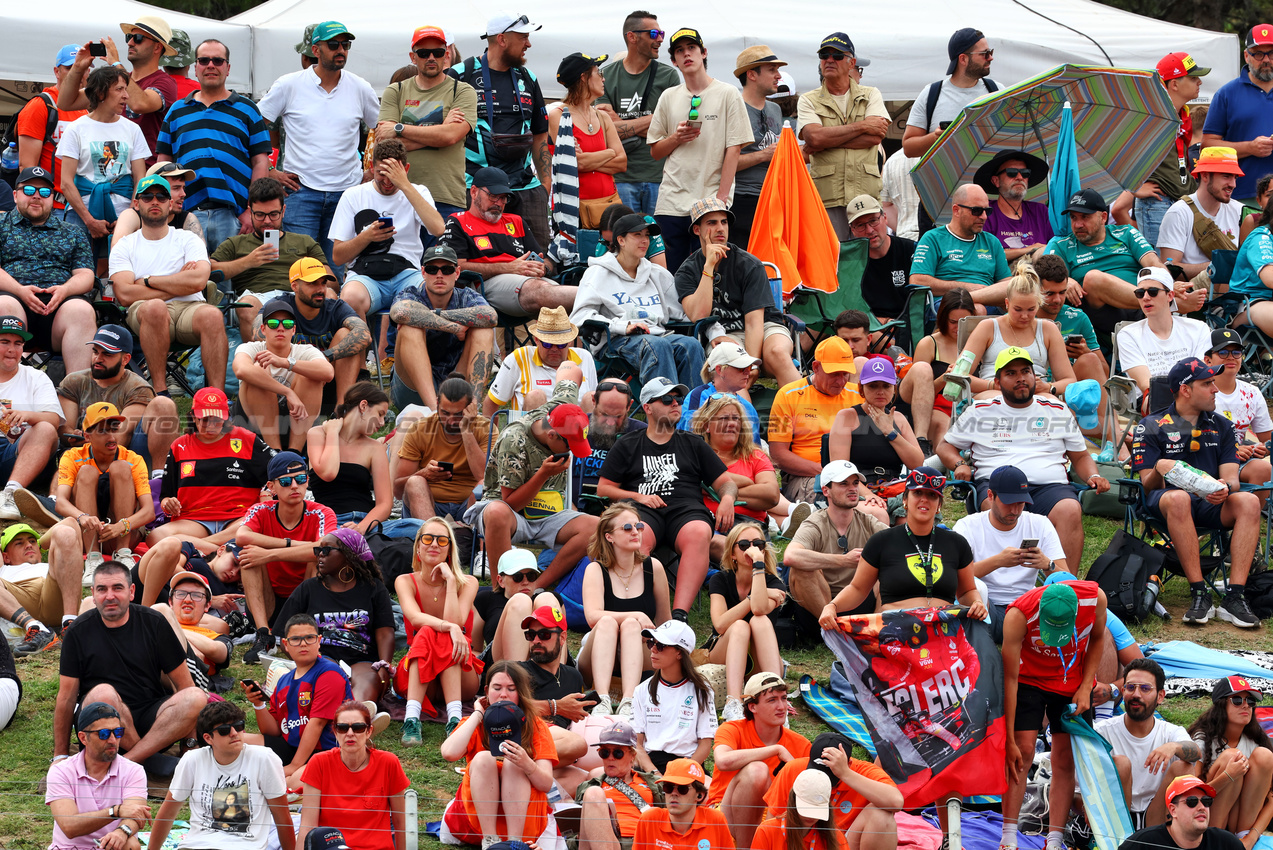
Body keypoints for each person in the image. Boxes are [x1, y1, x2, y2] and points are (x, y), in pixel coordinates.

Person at [938, 347, 1108, 568]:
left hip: (1049, 487)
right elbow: (945, 446)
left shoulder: (1056, 409)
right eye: (1011, 373)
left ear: (1034, 377)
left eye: (1025, 371)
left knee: (1070, 509)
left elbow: (1081, 455)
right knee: (994, 505)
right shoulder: (981, 410)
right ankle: (997, 585)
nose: (1020, 379)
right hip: (997, 484)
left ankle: (1065, 584)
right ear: (997, 382)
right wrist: (959, 463)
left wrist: (1093, 475)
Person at [1130, 357, 1262, 627]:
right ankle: (1199, 593)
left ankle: (1234, 596)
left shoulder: (1221, 425)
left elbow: (1231, 478)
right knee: (1179, 498)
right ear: (1186, 390)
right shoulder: (1152, 425)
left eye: (1213, 382)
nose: (1215, 389)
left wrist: (1224, 488)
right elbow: (1146, 484)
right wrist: (1160, 469)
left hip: (1210, 501)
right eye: (1207, 383)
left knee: (1248, 501)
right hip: (1164, 501)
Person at [598, 376, 739, 618]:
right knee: (634, 535)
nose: (675, 403)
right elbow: (604, 489)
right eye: (666, 399)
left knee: (699, 532)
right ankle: (634, 608)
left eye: (678, 399)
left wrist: (727, 500)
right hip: (642, 510)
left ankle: (679, 615)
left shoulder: (693, 443)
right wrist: (639, 497)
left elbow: (726, 483)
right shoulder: (628, 444)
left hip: (686, 510)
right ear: (648, 407)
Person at [54, 560, 208, 772]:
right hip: (102, 723)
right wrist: (60, 754)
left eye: (117, 588)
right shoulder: (77, 632)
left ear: (132, 591)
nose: (110, 596)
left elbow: (185, 685)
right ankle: (149, 761)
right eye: (102, 589)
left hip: (151, 721)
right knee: (103, 693)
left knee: (196, 696)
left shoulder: (154, 623)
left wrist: (190, 745)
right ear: (93, 594)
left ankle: (133, 761)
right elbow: (66, 697)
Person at [258, 21, 381, 265]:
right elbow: (253, 126)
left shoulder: (360, 87)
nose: (341, 50)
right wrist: (270, 171)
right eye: (333, 44)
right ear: (315, 50)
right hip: (300, 191)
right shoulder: (289, 84)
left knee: (336, 273)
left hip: (347, 193)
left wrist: (372, 170)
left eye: (345, 44)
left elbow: (382, 129)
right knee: (296, 270)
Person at [1001, 580, 1109, 850]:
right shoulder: (1018, 615)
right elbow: (1010, 678)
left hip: (1071, 681)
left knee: (1065, 758)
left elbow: (1097, 639)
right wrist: (1009, 738)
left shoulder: (1095, 600)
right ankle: (1008, 837)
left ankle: (1054, 840)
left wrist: (1087, 686)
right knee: (1022, 751)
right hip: (1028, 680)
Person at [468, 374, 599, 587]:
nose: (571, 451)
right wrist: (543, 475)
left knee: (595, 527)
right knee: (497, 512)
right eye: (569, 445)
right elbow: (509, 503)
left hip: (549, 513)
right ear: (552, 435)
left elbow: (571, 372)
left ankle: (535, 586)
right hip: (511, 515)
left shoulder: (561, 409)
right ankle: (501, 591)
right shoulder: (514, 440)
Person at [819, 467, 986, 625]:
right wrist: (832, 606)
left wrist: (977, 602)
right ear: (905, 499)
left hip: (942, 631)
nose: (924, 499)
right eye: (918, 493)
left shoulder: (956, 543)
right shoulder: (881, 541)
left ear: (939, 505)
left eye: (932, 495)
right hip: (897, 630)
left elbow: (966, 592)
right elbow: (858, 589)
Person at [109, 174, 226, 395]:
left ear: (170, 204)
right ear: (136, 203)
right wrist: (179, 282)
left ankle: (214, 398)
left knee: (213, 315)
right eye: (148, 197)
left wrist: (147, 280)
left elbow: (199, 280)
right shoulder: (125, 245)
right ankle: (160, 393)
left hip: (189, 310)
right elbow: (124, 293)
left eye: (162, 196)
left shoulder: (187, 239)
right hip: (145, 311)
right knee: (155, 308)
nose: (155, 201)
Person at [647, 28, 753, 270]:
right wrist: (676, 137)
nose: (687, 54)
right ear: (673, 61)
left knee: (710, 270)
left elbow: (734, 149)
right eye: (680, 51)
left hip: (710, 201)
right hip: (671, 201)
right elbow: (655, 152)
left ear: (703, 53)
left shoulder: (728, 93)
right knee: (670, 272)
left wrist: (721, 199)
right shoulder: (668, 96)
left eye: (692, 48)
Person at [155, 38, 273, 251]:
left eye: (218, 61)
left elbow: (260, 163)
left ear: (228, 68)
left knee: (226, 281)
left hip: (234, 215)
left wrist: (250, 210)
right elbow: (163, 163)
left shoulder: (248, 109)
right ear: (195, 68)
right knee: (189, 280)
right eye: (204, 60)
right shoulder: (176, 111)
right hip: (185, 214)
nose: (211, 65)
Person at [447, 12, 553, 249]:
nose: (529, 43)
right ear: (502, 40)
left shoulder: (528, 77)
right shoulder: (461, 75)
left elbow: (540, 135)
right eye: (523, 37)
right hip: (473, 185)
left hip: (525, 187)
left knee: (540, 258)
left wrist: (545, 186)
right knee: (476, 256)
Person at [675, 197, 800, 390]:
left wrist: (751, 362)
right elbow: (698, 315)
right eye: (712, 223)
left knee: (777, 352)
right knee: (732, 365)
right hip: (723, 335)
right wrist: (709, 267)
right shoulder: (687, 271)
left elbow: (754, 321)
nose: (720, 228)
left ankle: (807, 415)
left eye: (724, 222)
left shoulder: (748, 264)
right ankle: (744, 419)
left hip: (764, 328)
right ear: (697, 230)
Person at [570, 212, 705, 387]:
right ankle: (665, 407)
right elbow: (579, 317)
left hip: (656, 335)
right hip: (615, 340)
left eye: (647, 236)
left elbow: (686, 310)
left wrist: (714, 330)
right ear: (621, 240)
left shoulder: (656, 274)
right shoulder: (597, 273)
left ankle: (693, 409)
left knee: (690, 345)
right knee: (657, 346)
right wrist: (622, 327)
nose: (645, 241)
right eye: (637, 235)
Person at [440, 660, 560, 845]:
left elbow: (546, 784)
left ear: (520, 693)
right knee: (483, 758)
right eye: (497, 688)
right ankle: (490, 841)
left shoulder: (536, 726)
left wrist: (526, 763)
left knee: (514, 762)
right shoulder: (475, 723)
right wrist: (478, 715)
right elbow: (448, 753)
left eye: (511, 689)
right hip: (480, 821)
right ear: (487, 691)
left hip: (525, 822)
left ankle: (514, 843)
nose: (503, 694)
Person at [146, 702, 293, 850]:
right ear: (208, 738)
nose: (234, 733)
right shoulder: (192, 760)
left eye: (239, 725)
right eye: (224, 730)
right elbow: (168, 813)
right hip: (196, 846)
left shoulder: (264, 758)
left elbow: (282, 817)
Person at [237, 452, 339, 663]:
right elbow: (241, 536)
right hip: (268, 601)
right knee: (248, 555)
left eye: (300, 479)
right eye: (285, 481)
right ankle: (263, 635)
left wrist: (269, 554)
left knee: (317, 558)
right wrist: (291, 544)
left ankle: (304, 629)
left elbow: (324, 549)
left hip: (305, 598)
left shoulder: (322, 512)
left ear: (307, 481)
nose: (294, 486)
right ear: (271, 487)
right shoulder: (261, 509)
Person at [274, 529, 395, 706]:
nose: (320, 555)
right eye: (318, 550)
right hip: (321, 657)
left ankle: (357, 714)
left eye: (327, 550)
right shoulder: (308, 589)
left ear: (349, 555)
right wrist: (305, 658)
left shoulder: (373, 588)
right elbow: (283, 635)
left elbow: (385, 633)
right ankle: (343, 717)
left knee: (367, 681)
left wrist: (384, 664)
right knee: (329, 677)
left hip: (362, 658)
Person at [331, 138, 444, 327]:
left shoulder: (418, 191)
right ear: (371, 167)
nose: (387, 181)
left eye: (393, 174)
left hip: (408, 273)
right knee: (350, 297)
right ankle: (363, 354)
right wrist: (367, 236)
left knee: (432, 296)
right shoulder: (353, 195)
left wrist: (405, 185)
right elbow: (337, 256)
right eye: (381, 173)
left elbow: (438, 229)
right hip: (365, 275)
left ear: (405, 169)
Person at [1042, 188, 1180, 340]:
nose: (1078, 224)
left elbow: (1153, 263)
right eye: (1073, 217)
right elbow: (1047, 276)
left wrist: (1170, 285)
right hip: (1106, 313)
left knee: (1189, 279)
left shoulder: (1125, 232)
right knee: (1093, 278)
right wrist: (1067, 281)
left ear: (1103, 217)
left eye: (1085, 217)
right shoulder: (1062, 245)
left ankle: (1169, 299)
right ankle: (1166, 303)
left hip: (1142, 307)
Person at [443, 166, 576, 318]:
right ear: (473, 192)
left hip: (530, 282)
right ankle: (592, 295)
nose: (499, 203)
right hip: (486, 284)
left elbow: (544, 259)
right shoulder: (458, 221)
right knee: (544, 291)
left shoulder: (516, 221)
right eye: (493, 196)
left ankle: (590, 302)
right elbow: (455, 267)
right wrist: (508, 268)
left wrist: (543, 268)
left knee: (570, 308)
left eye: (504, 197)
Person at [376, 25, 478, 222]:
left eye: (438, 52)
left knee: (442, 253)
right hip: (398, 194)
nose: (431, 57)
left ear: (446, 54)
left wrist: (399, 128)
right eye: (423, 53)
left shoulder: (463, 91)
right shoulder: (395, 91)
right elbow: (385, 145)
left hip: (445, 196)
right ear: (413, 57)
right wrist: (440, 133)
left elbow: (451, 136)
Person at [0, 165, 96, 373]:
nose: (36, 196)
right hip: (12, 300)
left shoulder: (73, 232)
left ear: (52, 198)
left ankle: (77, 398)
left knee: (82, 310)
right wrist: (20, 291)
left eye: (44, 192)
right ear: (15, 195)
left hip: (59, 307)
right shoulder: (1, 225)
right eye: (29, 190)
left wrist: (65, 290)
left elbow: (86, 274)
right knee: (3, 305)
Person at [954, 465, 1067, 640]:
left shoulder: (1040, 524)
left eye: (1020, 503)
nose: (1015, 511)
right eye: (1008, 503)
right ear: (990, 496)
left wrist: (1047, 564)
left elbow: (1067, 580)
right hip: (985, 607)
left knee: (1064, 597)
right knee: (979, 590)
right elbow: (953, 576)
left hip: (1027, 607)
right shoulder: (968, 526)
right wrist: (998, 561)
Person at [579, 501, 672, 716]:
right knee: (608, 622)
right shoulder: (596, 569)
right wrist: (637, 614)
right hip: (599, 652)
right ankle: (601, 700)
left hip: (640, 652)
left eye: (638, 526)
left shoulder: (653, 567)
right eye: (627, 528)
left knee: (631, 626)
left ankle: (629, 702)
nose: (635, 532)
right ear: (609, 536)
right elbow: (592, 617)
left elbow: (665, 620)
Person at [394, 518, 481, 742]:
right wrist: (451, 627)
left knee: (444, 635)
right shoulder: (405, 581)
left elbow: (455, 620)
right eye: (428, 539)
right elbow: (414, 619)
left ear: (450, 549)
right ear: (418, 548)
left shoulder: (468, 582)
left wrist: (451, 582)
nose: (434, 544)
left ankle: (454, 719)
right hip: (421, 674)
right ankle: (412, 719)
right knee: (427, 631)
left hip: (461, 673)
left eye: (442, 540)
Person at [154, 386, 275, 546]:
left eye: (217, 420)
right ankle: (220, 548)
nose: (211, 425)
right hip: (194, 520)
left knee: (258, 520)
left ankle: (200, 547)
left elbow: (278, 468)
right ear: (193, 417)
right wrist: (168, 503)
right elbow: (166, 496)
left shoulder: (246, 439)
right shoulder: (179, 446)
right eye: (205, 419)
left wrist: (267, 492)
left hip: (238, 517)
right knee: (156, 535)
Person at [796, 33, 890, 240]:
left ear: (851, 63)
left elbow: (875, 137)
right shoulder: (808, 99)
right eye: (824, 55)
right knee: (833, 260)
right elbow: (814, 139)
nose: (829, 59)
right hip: (827, 197)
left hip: (865, 195)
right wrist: (864, 125)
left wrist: (825, 140)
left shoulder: (871, 93)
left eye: (837, 55)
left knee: (868, 260)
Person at [208, 176, 329, 331]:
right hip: (257, 297)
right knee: (246, 305)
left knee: (330, 296)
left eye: (273, 214)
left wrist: (307, 274)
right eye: (260, 215)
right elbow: (209, 270)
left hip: (298, 296)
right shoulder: (235, 243)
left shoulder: (304, 242)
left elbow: (331, 282)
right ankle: (257, 355)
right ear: (250, 212)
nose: (267, 221)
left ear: (283, 211)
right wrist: (248, 261)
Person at [244, 613, 353, 783]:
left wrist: (294, 766)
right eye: (296, 639)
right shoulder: (284, 681)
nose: (303, 644)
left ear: (319, 641)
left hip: (326, 752)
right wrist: (258, 704)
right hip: (291, 747)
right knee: (234, 742)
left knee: (292, 781)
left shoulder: (329, 673)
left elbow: (316, 724)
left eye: (309, 638)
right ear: (286, 645)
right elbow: (274, 731)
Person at [1115, 52, 1208, 247]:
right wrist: (1133, 187)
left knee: (1179, 266)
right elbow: (1117, 150)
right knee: (1163, 269)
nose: (1199, 82)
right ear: (1174, 84)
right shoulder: (1150, 114)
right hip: (1157, 203)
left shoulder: (1183, 113)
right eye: (1192, 78)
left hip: (1181, 199)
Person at [388, 243, 497, 410]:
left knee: (483, 330)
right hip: (412, 390)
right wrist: (454, 327)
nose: (439, 275)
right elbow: (400, 313)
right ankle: (435, 413)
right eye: (432, 270)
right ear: (423, 273)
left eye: (446, 270)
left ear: (457, 273)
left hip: (455, 384)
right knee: (410, 328)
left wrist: (433, 315)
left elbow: (490, 317)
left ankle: (473, 407)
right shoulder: (411, 293)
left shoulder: (466, 296)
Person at [59, 17, 179, 166]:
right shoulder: (117, 80)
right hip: (112, 173)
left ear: (157, 47)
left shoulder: (166, 82)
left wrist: (116, 63)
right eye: (129, 37)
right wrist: (77, 68)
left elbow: (140, 104)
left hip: (146, 178)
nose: (130, 43)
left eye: (138, 38)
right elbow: (65, 103)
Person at [1095, 658, 1201, 828]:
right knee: (1121, 763)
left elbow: (1196, 752)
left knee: (1184, 767)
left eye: (1145, 688)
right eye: (1131, 687)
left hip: (1157, 817)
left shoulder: (1170, 732)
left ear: (1160, 696)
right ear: (1123, 691)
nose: (1136, 694)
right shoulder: (1102, 731)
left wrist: (1173, 747)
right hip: (1115, 818)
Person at [709, 672, 810, 847]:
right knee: (757, 770)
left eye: (784, 698)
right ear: (752, 707)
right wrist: (775, 750)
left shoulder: (801, 744)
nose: (781, 706)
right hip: (726, 815)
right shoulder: (732, 729)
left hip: (774, 819)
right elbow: (723, 761)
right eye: (772, 700)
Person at [596, 12, 681, 216]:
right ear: (632, 37)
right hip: (621, 178)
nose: (660, 39)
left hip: (660, 177)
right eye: (653, 33)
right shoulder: (605, 75)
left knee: (658, 244)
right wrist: (656, 120)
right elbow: (606, 130)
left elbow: (673, 130)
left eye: (661, 33)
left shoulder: (668, 75)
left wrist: (621, 123)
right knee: (625, 242)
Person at [56, 66, 149, 248]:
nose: (126, 96)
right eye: (119, 89)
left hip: (124, 214)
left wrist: (129, 215)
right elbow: (66, 182)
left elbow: (140, 178)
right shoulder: (76, 128)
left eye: (126, 89)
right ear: (100, 93)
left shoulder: (132, 129)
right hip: (81, 214)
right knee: (81, 267)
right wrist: (89, 221)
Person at [784, 460, 886, 623]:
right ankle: (835, 632)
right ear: (826, 490)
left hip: (862, 601)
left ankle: (877, 628)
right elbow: (790, 556)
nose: (852, 488)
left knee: (889, 565)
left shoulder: (868, 521)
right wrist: (843, 561)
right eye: (843, 484)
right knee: (801, 569)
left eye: (855, 483)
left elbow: (901, 545)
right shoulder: (815, 523)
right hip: (821, 606)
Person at [298, 701, 410, 850]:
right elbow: (307, 826)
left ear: (369, 731)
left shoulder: (388, 763)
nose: (350, 733)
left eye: (358, 728)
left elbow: (399, 822)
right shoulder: (319, 763)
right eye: (343, 728)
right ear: (335, 732)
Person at [827, 357, 926, 523]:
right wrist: (868, 495)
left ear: (894, 389)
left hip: (894, 488)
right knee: (878, 514)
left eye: (886, 386)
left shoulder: (899, 419)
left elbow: (917, 463)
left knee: (912, 519)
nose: (880, 391)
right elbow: (840, 470)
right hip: (856, 488)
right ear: (861, 389)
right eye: (873, 386)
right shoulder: (847, 417)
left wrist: (890, 432)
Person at [960, 260, 1080, 396]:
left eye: (1031, 309)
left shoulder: (1048, 329)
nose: (1024, 316)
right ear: (1007, 303)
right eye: (1018, 309)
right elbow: (959, 375)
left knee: (1049, 406)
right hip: (994, 391)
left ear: (1038, 304)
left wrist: (1048, 387)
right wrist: (994, 385)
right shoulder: (988, 327)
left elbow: (1069, 380)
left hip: (1036, 393)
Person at [768, 336, 864, 504]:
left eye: (845, 374)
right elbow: (778, 455)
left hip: (855, 475)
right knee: (835, 500)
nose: (841, 381)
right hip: (807, 477)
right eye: (834, 374)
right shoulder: (786, 395)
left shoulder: (858, 396)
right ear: (816, 367)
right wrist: (828, 472)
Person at [763, 733, 901, 848]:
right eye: (817, 772)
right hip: (801, 843)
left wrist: (845, 774)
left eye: (831, 776)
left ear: (849, 764)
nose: (823, 783)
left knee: (881, 815)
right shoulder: (793, 769)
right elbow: (772, 823)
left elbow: (896, 802)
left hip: (843, 843)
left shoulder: (863, 771)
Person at [707, 522, 786, 722]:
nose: (751, 550)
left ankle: (778, 698)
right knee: (740, 625)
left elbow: (759, 609)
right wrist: (753, 596)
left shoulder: (774, 583)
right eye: (744, 545)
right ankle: (732, 703)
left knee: (759, 621)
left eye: (758, 544)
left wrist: (759, 567)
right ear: (732, 553)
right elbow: (720, 624)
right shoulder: (721, 580)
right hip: (724, 652)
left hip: (759, 659)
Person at [46, 702, 150, 850]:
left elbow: (135, 815)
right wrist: (114, 811)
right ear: (83, 738)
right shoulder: (61, 771)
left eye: (118, 732)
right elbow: (69, 827)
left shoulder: (134, 770)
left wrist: (122, 832)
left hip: (110, 846)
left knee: (131, 844)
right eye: (104, 734)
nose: (113, 740)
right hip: (70, 847)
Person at [233, 298, 334, 450]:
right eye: (273, 324)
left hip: (296, 421)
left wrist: (285, 362)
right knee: (258, 369)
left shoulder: (305, 350)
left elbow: (328, 372)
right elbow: (241, 370)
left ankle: (294, 454)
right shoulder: (249, 348)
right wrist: (287, 392)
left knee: (311, 375)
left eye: (287, 324)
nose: (280, 328)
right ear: (263, 329)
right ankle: (274, 452)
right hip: (253, 420)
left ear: (293, 330)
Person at [55, 402, 153, 556]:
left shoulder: (134, 459)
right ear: (87, 436)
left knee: (121, 467)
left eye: (115, 429)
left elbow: (149, 511)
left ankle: (123, 552)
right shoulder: (72, 456)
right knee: (87, 471)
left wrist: (122, 526)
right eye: (103, 431)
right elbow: (60, 502)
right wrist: (83, 517)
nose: (112, 437)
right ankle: (93, 557)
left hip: (121, 536)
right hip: (86, 536)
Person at [395, 376, 493, 522]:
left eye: (458, 414)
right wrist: (424, 474)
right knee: (415, 482)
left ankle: (465, 535)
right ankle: (433, 536)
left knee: (484, 484)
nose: (451, 421)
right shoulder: (419, 429)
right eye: (445, 413)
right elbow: (398, 490)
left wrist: (466, 429)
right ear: (436, 404)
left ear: (470, 409)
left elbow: (483, 476)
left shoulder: (485, 428)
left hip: (469, 504)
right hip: (430, 504)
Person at [1186, 676, 1273, 840]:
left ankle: (1241, 836)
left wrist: (1251, 838)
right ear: (1221, 705)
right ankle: (1216, 840)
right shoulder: (1202, 739)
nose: (1246, 705)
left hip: (1240, 825)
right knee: (1232, 757)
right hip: (1207, 820)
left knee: (1265, 755)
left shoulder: (1254, 742)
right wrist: (1228, 776)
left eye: (1251, 701)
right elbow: (1191, 797)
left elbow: (1271, 800)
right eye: (1237, 700)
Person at [277, 257, 373, 402]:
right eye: (312, 283)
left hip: (328, 378)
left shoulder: (336, 307)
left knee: (348, 335)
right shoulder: (281, 306)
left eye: (323, 283)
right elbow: (258, 333)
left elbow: (364, 335)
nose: (320, 289)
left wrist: (323, 358)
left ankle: (341, 410)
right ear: (295, 286)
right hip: (291, 379)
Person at [548, 53, 626, 230]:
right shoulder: (558, 115)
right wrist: (609, 153)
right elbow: (576, 163)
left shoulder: (602, 116)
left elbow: (622, 163)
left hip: (607, 209)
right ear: (583, 77)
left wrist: (588, 160)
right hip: (574, 213)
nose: (603, 78)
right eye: (598, 73)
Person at [1117, 267, 1213, 411]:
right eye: (1140, 293)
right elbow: (1147, 384)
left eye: (1153, 292)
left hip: (1193, 395)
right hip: (1153, 398)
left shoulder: (1198, 328)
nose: (1146, 297)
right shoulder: (1128, 334)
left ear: (1170, 296)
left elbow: (1201, 374)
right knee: (1156, 397)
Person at [690, 394, 779, 544]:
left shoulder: (755, 456)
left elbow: (772, 495)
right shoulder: (694, 457)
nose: (731, 423)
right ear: (706, 426)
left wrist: (720, 491)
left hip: (751, 529)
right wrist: (747, 483)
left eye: (736, 418)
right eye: (724, 418)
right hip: (708, 529)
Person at [307, 382, 393, 534]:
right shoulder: (318, 434)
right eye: (380, 414)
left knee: (416, 526)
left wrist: (360, 529)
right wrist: (333, 432)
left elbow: (384, 504)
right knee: (336, 540)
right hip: (329, 522)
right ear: (363, 406)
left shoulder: (375, 448)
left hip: (366, 524)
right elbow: (328, 473)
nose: (382, 422)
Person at [0, 315, 63, 519]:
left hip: (20, 452)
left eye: (18, 343)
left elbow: (54, 420)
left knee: (45, 428)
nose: (12, 349)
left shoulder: (35, 377)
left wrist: (27, 415)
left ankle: (10, 494)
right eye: (5, 342)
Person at [631, 620, 716, 772]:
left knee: (716, 795)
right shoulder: (641, 690)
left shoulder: (702, 690)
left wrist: (683, 772)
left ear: (679, 653)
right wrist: (655, 774)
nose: (653, 650)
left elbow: (705, 745)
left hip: (689, 765)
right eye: (651, 643)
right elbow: (637, 745)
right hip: (651, 766)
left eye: (661, 645)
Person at [903, 27, 999, 161]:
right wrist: (936, 137)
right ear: (963, 59)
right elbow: (908, 148)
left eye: (991, 51)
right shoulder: (931, 93)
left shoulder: (997, 91)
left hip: (986, 180)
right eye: (985, 53)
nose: (991, 58)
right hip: (941, 180)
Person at [910, 183, 1012, 309]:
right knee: (977, 308)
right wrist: (966, 288)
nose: (984, 217)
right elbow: (917, 281)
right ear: (956, 210)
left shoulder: (992, 241)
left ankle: (972, 297)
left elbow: (1006, 283)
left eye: (987, 211)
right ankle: (968, 297)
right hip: (949, 305)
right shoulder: (933, 238)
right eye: (977, 211)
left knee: (1022, 290)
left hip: (989, 302)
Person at [1202, 26, 1273, 205]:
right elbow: (1207, 146)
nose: (1266, 60)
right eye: (1258, 54)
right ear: (1246, 55)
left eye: (1271, 53)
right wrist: (1250, 147)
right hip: (1242, 196)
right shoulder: (1227, 93)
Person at [14, 45, 86, 220]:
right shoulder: (41, 105)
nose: (77, 72)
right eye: (69, 67)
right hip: (53, 207)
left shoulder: (88, 107)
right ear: (56, 71)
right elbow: (27, 168)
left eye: (82, 68)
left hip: (83, 205)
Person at [485, 306, 599, 415]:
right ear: (536, 340)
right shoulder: (519, 357)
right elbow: (491, 402)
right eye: (547, 344)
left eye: (560, 344)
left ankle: (593, 436)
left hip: (577, 430)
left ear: (569, 341)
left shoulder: (585, 357)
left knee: (592, 397)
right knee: (536, 396)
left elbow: (595, 404)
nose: (554, 349)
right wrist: (492, 435)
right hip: (535, 431)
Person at [902, 288, 974, 453]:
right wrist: (945, 378)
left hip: (967, 404)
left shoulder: (979, 341)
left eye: (964, 321)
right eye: (953, 321)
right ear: (943, 318)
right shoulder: (929, 343)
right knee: (944, 428)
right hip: (932, 404)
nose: (957, 327)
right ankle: (921, 444)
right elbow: (919, 392)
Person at [1158, 147, 1246, 279]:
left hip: (1236, 293)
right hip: (1193, 294)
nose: (1233, 184)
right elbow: (1169, 270)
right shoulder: (1178, 213)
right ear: (1205, 175)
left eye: (1235, 177)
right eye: (1226, 176)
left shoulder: (1240, 211)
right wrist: (1218, 266)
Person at [574, 720, 663, 850]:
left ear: (632, 755)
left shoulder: (654, 784)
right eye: (604, 753)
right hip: (602, 842)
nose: (610, 758)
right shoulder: (588, 787)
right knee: (594, 793)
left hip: (643, 842)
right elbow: (572, 839)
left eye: (618, 753)